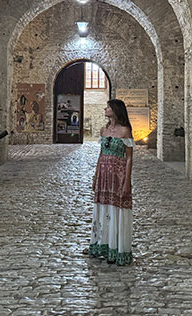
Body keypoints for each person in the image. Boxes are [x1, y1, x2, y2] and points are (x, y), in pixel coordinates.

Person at [85, 99, 134, 265]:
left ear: (115, 110)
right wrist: (95, 176)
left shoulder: (125, 131)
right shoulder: (103, 130)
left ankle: (117, 248)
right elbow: (100, 155)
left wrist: (127, 181)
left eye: (108, 107)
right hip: (104, 176)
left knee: (117, 210)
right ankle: (101, 244)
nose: (105, 109)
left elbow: (129, 158)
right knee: (103, 209)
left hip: (118, 176)